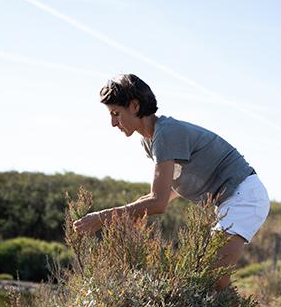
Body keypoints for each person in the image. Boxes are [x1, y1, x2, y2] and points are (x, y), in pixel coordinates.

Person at [73, 73, 270, 289]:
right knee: (211, 280)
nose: (112, 123)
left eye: (116, 114)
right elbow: (165, 192)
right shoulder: (150, 141)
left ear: (135, 106)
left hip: (244, 197)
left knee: (213, 280)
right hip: (232, 201)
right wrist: (131, 218)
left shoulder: (166, 133)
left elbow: (158, 202)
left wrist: (102, 218)